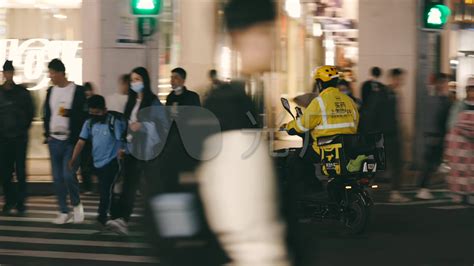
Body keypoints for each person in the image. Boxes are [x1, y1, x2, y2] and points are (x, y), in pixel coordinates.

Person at [106, 67, 169, 235]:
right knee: (129, 185)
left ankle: (160, 220)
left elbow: (163, 125)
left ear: (145, 81)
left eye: (137, 79)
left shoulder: (153, 101)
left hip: (149, 150)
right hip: (132, 149)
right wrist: (122, 146)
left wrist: (143, 126)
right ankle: (122, 219)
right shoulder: (132, 101)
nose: (134, 83)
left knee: (151, 186)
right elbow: (125, 125)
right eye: (132, 80)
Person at [69, 95, 126, 226]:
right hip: (97, 162)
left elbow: (120, 140)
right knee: (106, 190)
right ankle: (116, 215)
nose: (95, 115)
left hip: (111, 162)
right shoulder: (89, 123)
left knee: (105, 190)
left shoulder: (113, 122)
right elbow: (80, 142)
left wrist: (122, 153)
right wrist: (73, 158)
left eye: (97, 113)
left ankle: (101, 218)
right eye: (92, 113)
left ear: (105, 110)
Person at [43, 58, 85, 224]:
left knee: (68, 174)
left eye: (53, 73)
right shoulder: (50, 92)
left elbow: (82, 115)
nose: (51, 76)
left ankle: (76, 205)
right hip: (54, 139)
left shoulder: (77, 90)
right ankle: (63, 211)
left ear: (61, 73)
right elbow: (47, 113)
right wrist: (47, 133)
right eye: (50, 73)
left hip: (70, 141)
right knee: (57, 177)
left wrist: (68, 113)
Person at [0, 60, 34, 215]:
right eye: (6, 72)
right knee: (6, 172)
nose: (8, 75)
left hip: (17, 138)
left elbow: (30, 114)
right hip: (7, 139)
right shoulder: (21, 93)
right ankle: (12, 201)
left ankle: (18, 202)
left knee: (19, 172)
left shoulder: (22, 93)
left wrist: (22, 129)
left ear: (12, 73)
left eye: (9, 72)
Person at [417, 73, 452, 200]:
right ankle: (423, 188)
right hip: (434, 136)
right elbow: (434, 118)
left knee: (434, 163)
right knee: (430, 163)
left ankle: (424, 187)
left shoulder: (440, 98)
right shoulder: (435, 99)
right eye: (444, 83)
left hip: (435, 135)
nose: (445, 86)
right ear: (439, 83)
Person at [382, 69, 410, 203]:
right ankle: (395, 192)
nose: (401, 81)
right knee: (396, 163)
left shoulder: (393, 93)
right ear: (393, 78)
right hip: (389, 134)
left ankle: (395, 191)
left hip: (392, 133)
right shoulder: (387, 93)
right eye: (399, 79)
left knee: (395, 163)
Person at [80, 81, 95, 194]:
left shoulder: (91, 103)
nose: (88, 92)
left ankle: (88, 186)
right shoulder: (82, 103)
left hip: (90, 138)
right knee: (85, 162)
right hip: (86, 138)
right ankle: (87, 186)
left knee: (87, 162)